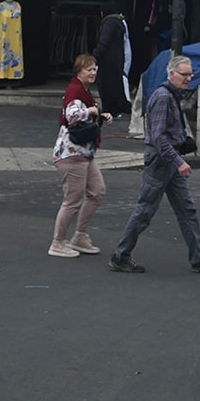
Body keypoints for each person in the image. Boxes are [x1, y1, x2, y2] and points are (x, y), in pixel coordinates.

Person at [109, 54, 200, 274]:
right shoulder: (163, 97)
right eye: (185, 74)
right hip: (162, 161)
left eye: (190, 74)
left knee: (186, 209)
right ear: (171, 73)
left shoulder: (171, 94)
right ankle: (120, 255)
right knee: (145, 210)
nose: (189, 78)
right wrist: (178, 160)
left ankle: (198, 257)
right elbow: (158, 137)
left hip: (168, 160)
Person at [50, 54, 112, 257]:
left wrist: (99, 115)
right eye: (89, 69)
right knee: (72, 200)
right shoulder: (75, 90)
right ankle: (58, 242)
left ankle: (80, 236)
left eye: (95, 69)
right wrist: (92, 110)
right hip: (72, 153)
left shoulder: (82, 90)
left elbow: (83, 117)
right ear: (79, 71)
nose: (93, 73)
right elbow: (73, 115)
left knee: (96, 191)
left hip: (84, 152)